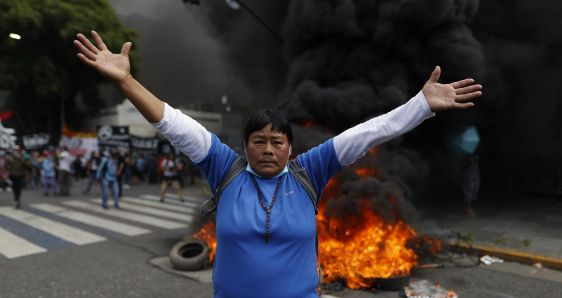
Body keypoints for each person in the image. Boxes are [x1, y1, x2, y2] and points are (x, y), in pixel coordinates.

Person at [74, 31, 482, 298]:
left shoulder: (311, 172)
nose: (268, 149)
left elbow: (368, 133)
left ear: (290, 148)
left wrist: (421, 105)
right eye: (259, 141)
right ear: (246, 147)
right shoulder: (224, 168)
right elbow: (172, 123)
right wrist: (126, 82)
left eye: (277, 142)